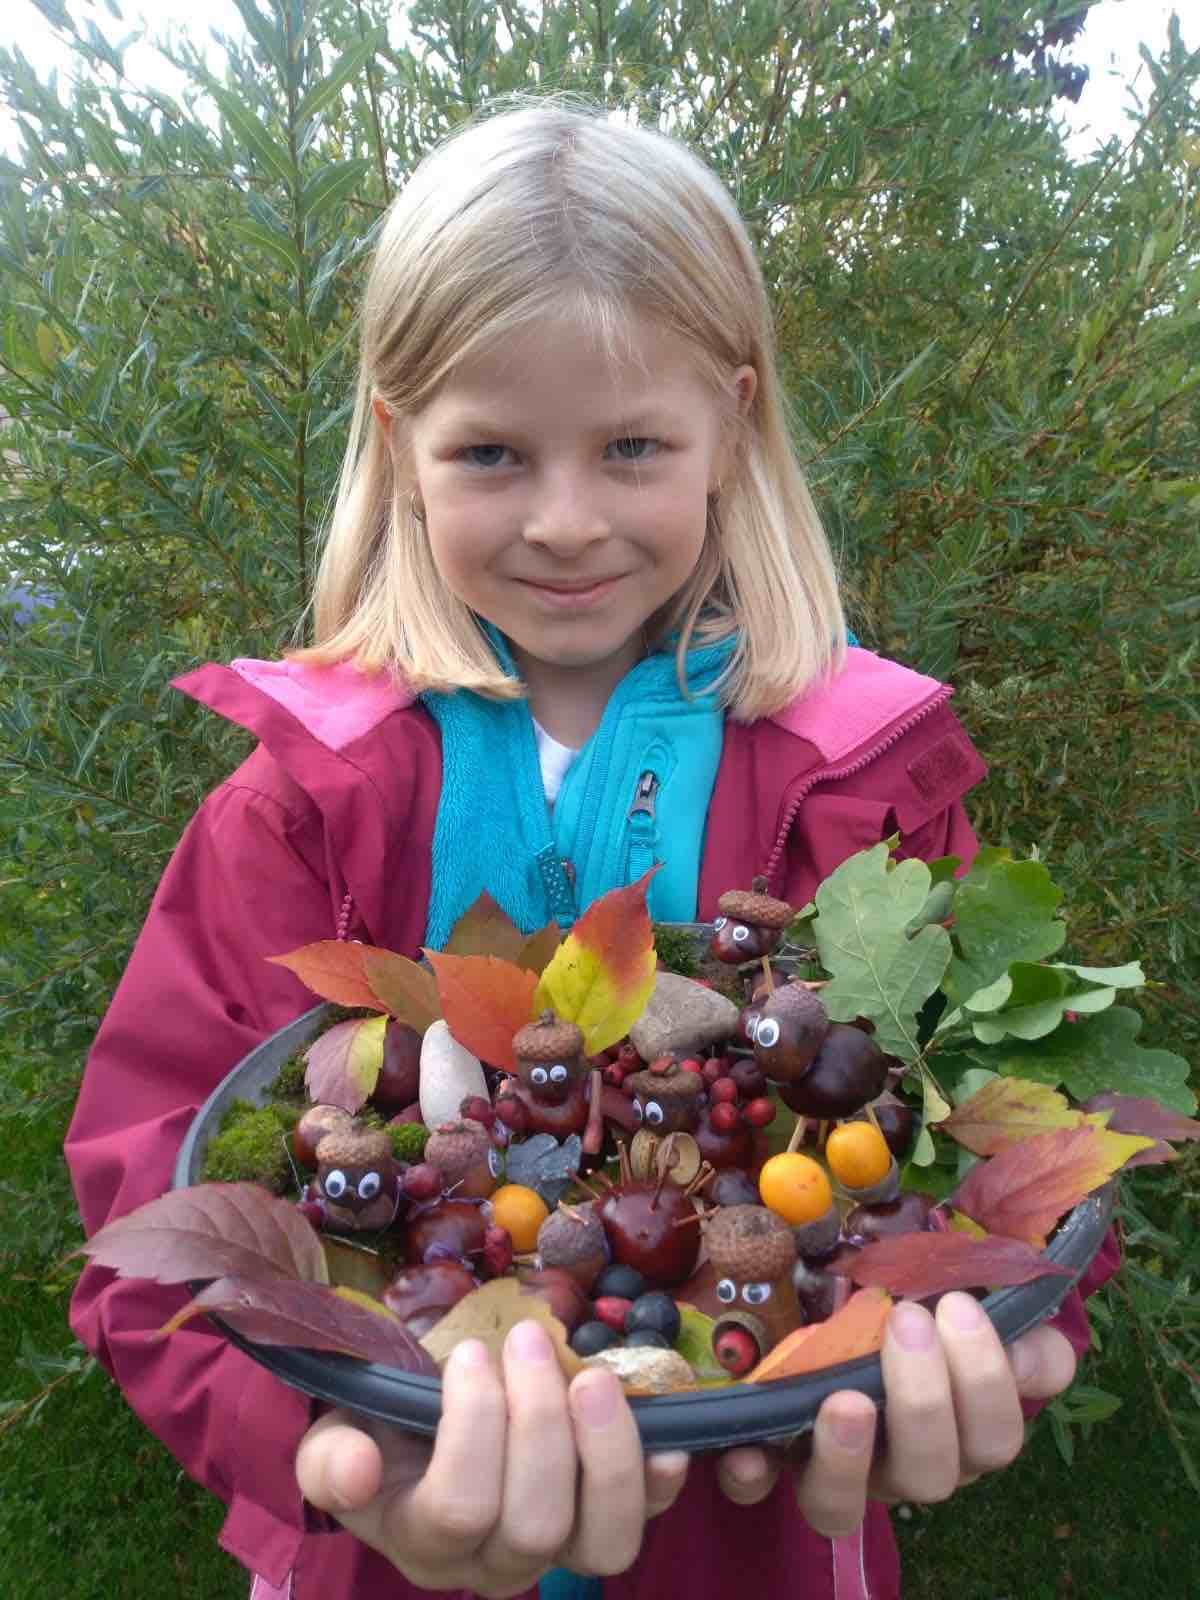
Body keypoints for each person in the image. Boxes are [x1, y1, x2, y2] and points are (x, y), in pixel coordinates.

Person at [64, 98, 1115, 1600]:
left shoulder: (858, 783)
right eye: (493, 452)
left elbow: (1016, 1119)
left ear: (731, 425)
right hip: (396, 1546)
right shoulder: (310, 798)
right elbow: (156, 1186)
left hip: (754, 1538)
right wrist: (322, 1449)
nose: (566, 523)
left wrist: (1008, 1318)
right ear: (400, 445)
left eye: (631, 446)